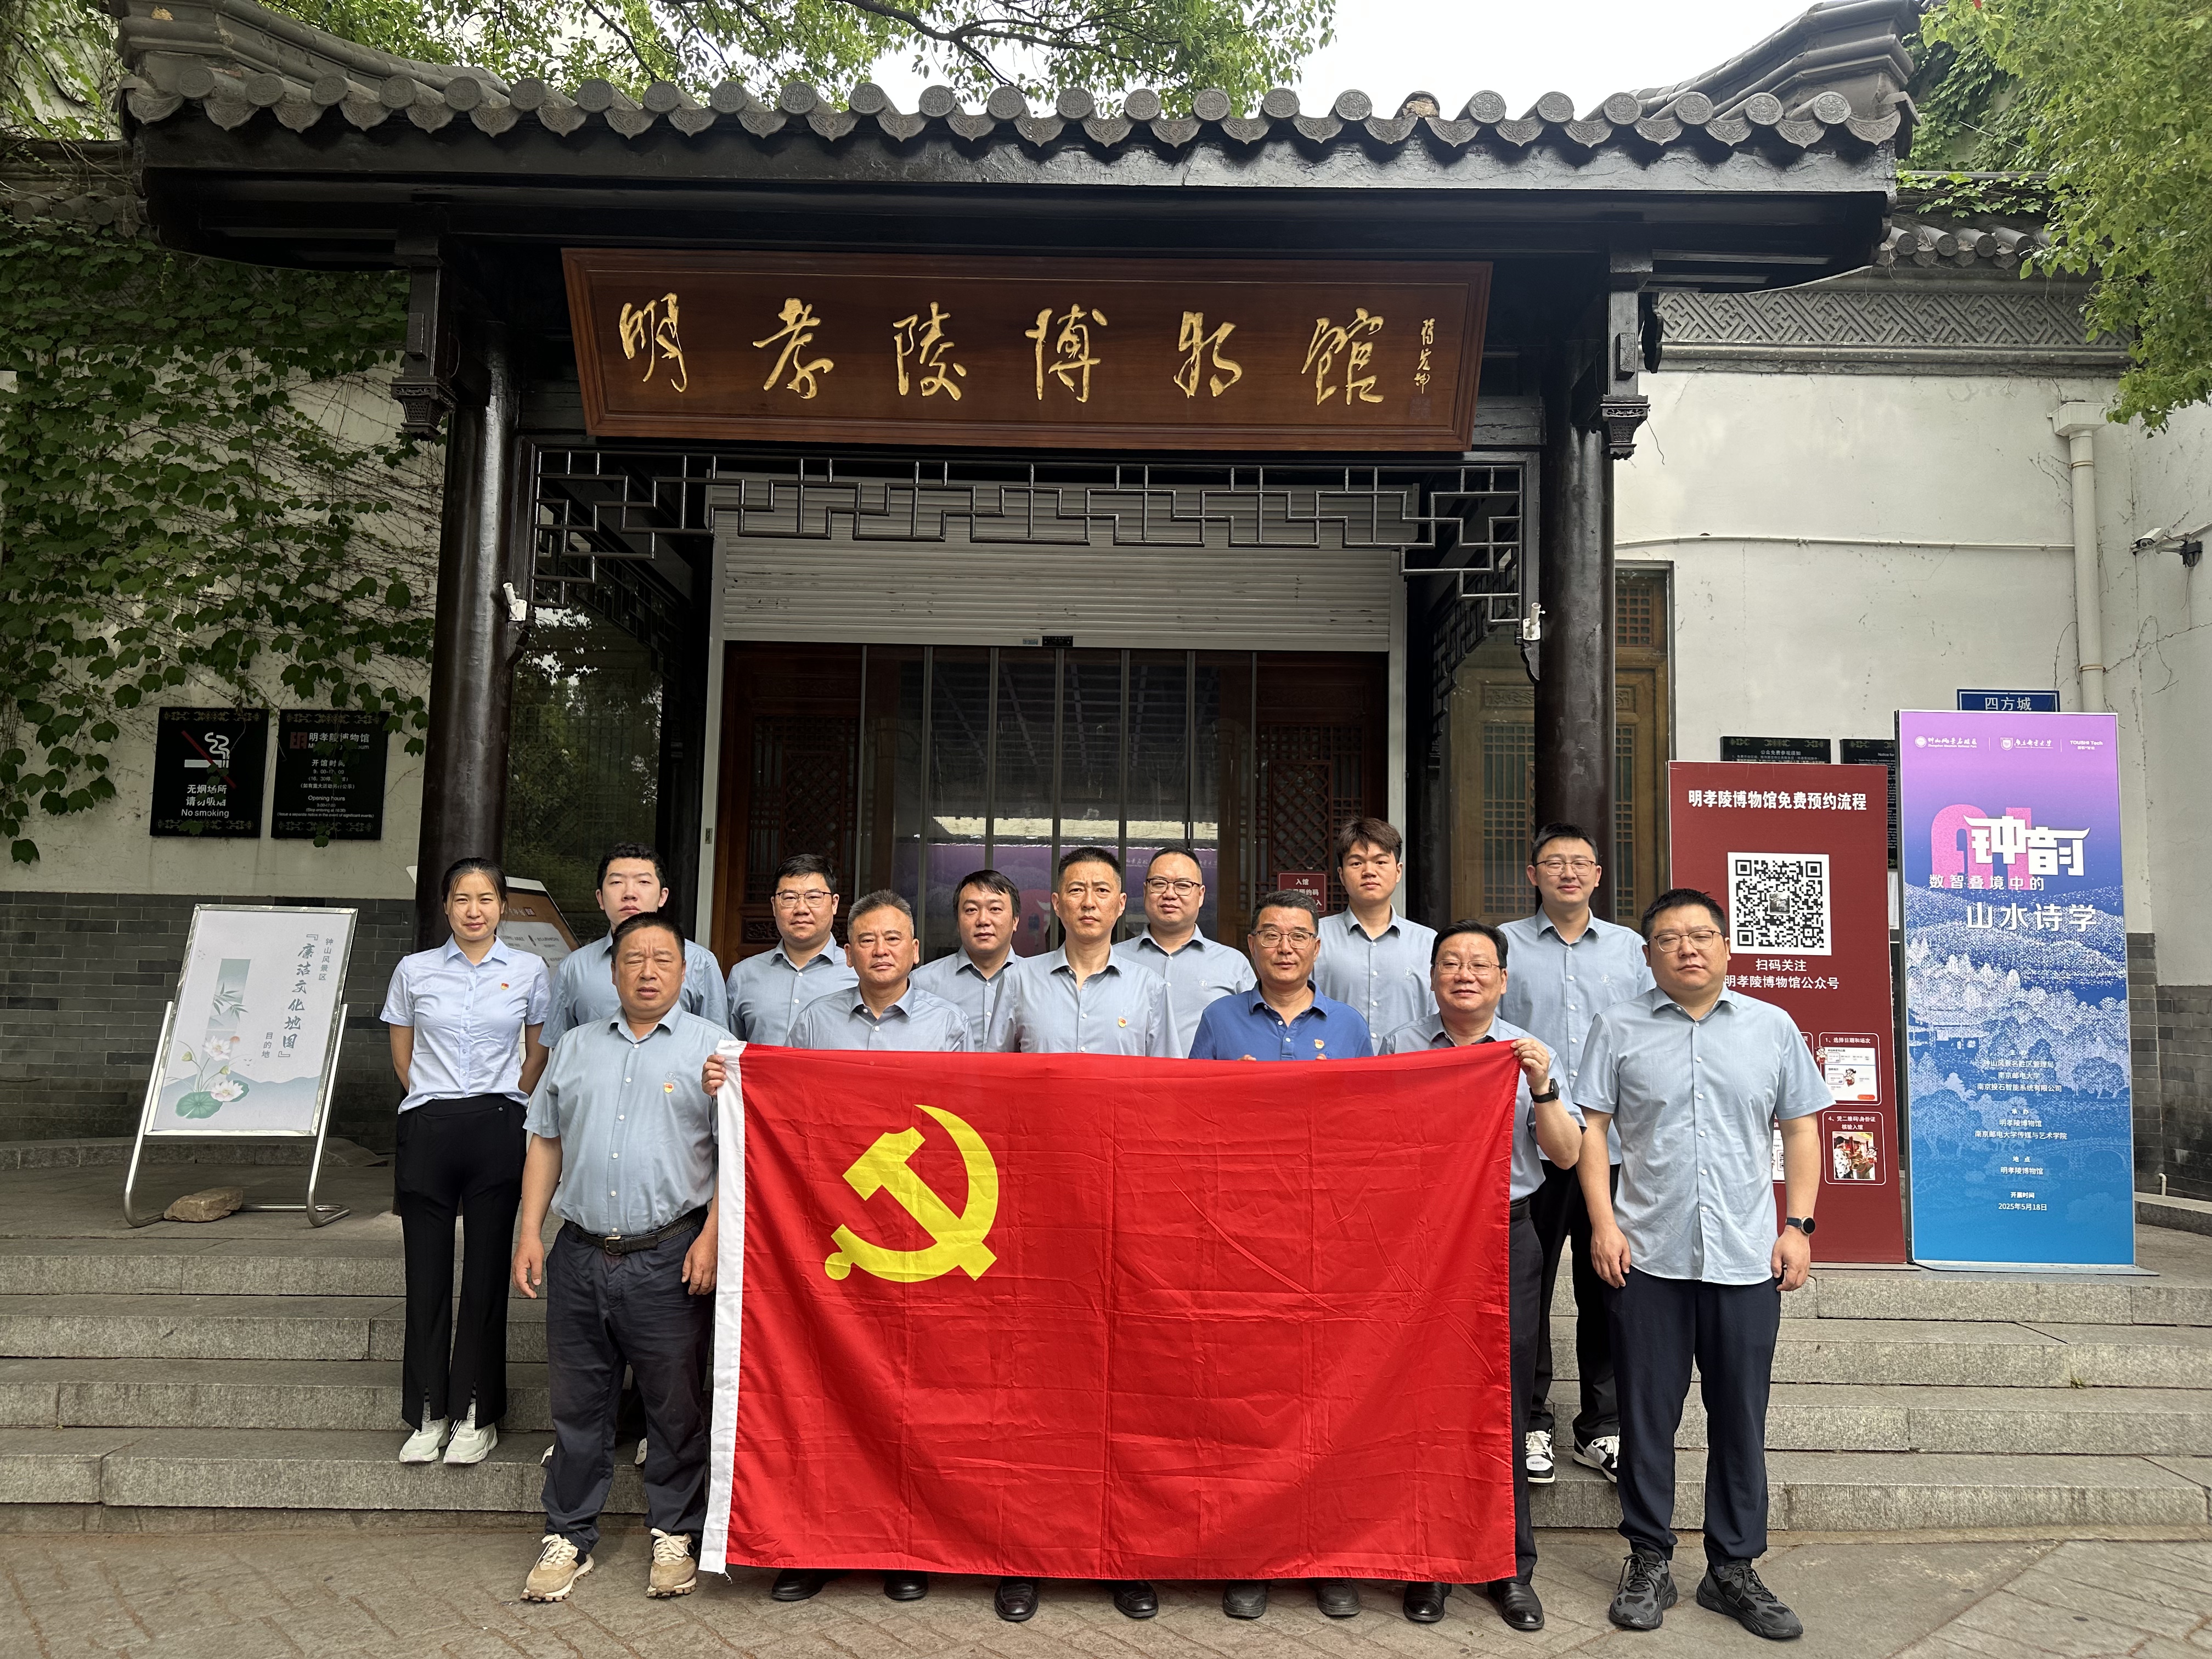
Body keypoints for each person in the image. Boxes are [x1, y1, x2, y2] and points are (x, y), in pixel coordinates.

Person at [1577, 889, 1826, 1642]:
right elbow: (1593, 1129)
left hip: (1747, 1259)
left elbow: (1802, 1128)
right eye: (1669, 939)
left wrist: (1799, 1226)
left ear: (1726, 946)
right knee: (1647, 1416)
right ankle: (1649, 1558)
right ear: (1648, 954)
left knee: (1740, 1417)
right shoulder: (1617, 1026)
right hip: (1648, 1256)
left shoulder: (1772, 1027)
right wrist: (1602, 1224)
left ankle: (1733, 1568)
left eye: (1701, 936)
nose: (1687, 948)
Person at [708, 890, 968, 1608]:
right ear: (847, 953)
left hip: (917, 1240)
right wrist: (731, 1084)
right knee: (822, 1395)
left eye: (894, 939)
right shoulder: (816, 1020)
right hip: (831, 1231)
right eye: (868, 940)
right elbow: (785, 1107)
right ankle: (811, 1546)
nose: (881, 951)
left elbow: (968, 1121)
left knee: (908, 1398)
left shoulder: (950, 1024)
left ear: (917, 951)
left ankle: (905, 1547)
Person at [514, 911, 731, 1605]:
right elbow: (546, 1141)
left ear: (685, 972)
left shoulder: (716, 1052)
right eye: (633, 959)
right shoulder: (575, 1047)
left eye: (662, 960)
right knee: (579, 1408)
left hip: (670, 1254)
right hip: (580, 1251)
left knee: (675, 1405)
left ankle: (675, 1532)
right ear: (612, 973)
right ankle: (568, 1534)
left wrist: (712, 1235)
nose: (647, 972)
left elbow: (740, 1155)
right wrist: (529, 1232)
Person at [1381, 921, 1583, 1633]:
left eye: (1478, 965)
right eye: (1450, 963)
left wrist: (1542, 1087)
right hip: (1420, 1237)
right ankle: (1428, 1562)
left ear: (1502, 980)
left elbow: (1566, 1155)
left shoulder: (1527, 1052)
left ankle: (1508, 1566)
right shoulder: (1401, 1047)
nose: (1463, 974)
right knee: (1423, 1396)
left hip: (1506, 1233)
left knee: (1502, 1397)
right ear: (1433, 977)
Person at [994, 845, 1168, 1626]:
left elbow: (1168, 1096)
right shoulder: (1021, 981)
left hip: (1122, 1208)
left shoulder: (1151, 985)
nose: (1090, 902)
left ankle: (1124, 1554)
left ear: (1121, 906)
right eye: (1076, 890)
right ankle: (1024, 1552)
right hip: (1036, 1211)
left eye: (1103, 890)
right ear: (1055, 904)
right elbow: (992, 1089)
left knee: (1123, 1385)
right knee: (1033, 1387)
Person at [1189, 888, 1373, 1623]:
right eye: (1271, 935)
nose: (1286, 947)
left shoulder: (1351, 1027)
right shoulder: (1220, 1020)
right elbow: (1192, 1119)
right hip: (1242, 1233)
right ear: (1252, 945)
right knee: (1248, 1400)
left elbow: (1369, 1129)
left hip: (1326, 1236)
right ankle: (1250, 1555)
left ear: (1317, 949)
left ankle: (1327, 1556)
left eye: (1299, 936)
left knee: (1327, 1399)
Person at [1498, 822, 1654, 1490]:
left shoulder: (1631, 951)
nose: (1568, 872)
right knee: (1526, 1290)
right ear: (1532, 875)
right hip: (1529, 1149)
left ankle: (1602, 1426)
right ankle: (1531, 1420)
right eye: (1554, 862)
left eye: (1580, 863)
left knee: (1607, 1283)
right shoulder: (1502, 946)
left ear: (1597, 875)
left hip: (1610, 1146)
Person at [381, 857, 550, 1467]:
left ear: (503, 907)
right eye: (461, 899)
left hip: (498, 1124)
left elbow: (537, 1051)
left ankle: (478, 1411)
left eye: (485, 899)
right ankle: (428, 1409)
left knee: (484, 1274)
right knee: (425, 1275)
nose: (474, 911)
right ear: (446, 906)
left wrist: (508, 1101)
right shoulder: (415, 970)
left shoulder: (529, 971)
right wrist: (431, 1099)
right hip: (429, 1124)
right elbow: (403, 1053)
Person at [541, 842, 728, 1049]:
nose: (629, 893)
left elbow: (717, 1046)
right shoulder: (573, 968)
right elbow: (561, 1048)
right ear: (600, 898)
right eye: (617, 882)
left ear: (663, 896)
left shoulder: (701, 962)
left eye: (643, 882)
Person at [1113, 845, 1256, 1056]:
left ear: (1201, 895)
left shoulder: (1233, 963)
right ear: (1145, 891)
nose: (1170, 894)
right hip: (1134, 1077)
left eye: (1183, 885)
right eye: (1159, 884)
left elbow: (1255, 1030)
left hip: (1207, 1077)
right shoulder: (1113, 959)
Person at [1313, 817, 1436, 1038]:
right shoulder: (1315, 938)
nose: (1369, 871)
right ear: (1341, 875)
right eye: (1356, 863)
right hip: (1336, 1059)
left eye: (1380, 862)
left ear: (1398, 871)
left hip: (1407, 1059)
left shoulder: (1428, 943)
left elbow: (1440, 1017)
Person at [725, 852, 859, 1045]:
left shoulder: (858, 973)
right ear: (774, 906)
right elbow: (730, 1051)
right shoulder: (743, 975)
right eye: (789, 898)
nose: (801, 909)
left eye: (814, 897)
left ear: (834, 904)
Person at [911, 868, 1023, 1050]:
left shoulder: (1036, 982)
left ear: (1015, 920)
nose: (983, 920)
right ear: (958, 922)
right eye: (971, 910)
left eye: (995, 909)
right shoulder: (922, 983)